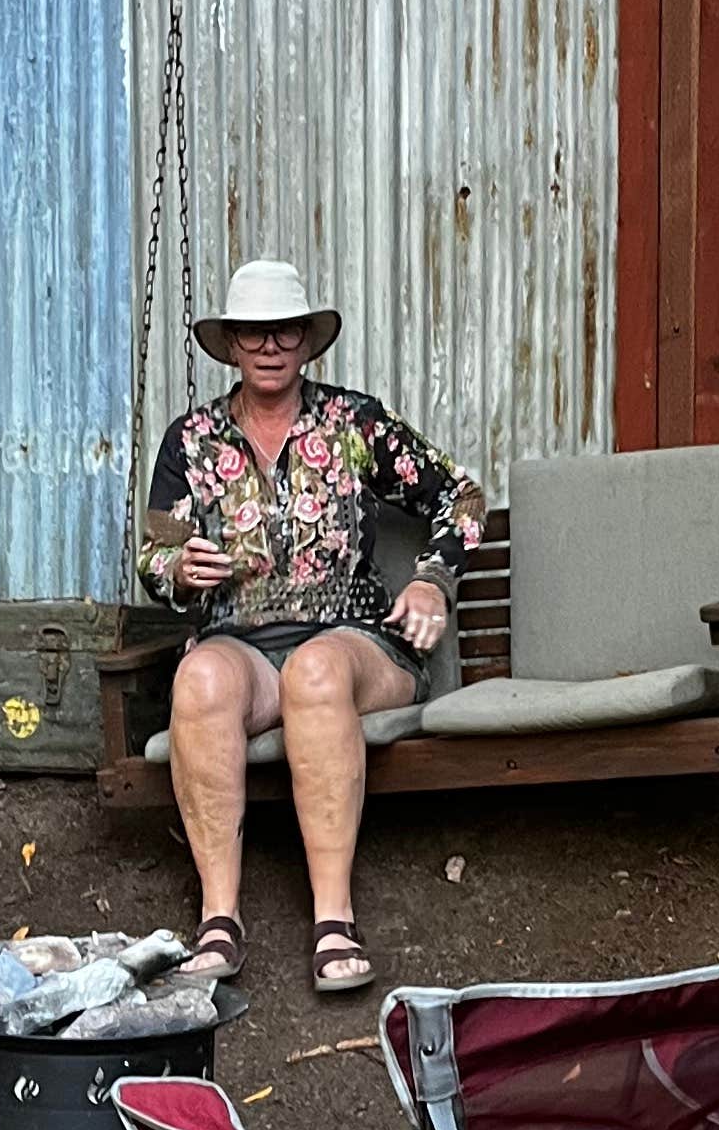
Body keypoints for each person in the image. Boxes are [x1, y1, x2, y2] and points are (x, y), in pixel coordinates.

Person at [137, 258, 481, 996]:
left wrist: (431, 578)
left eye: (284, 329)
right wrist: (177, 570)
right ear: (231, 343)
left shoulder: (354, 425)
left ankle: (333, 919)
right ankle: (219, 918)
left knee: (315, 672)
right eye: (254, 332)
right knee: (197, 678)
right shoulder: (190, 442)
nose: (269, 345)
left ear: (306, 341)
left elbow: (465, 495)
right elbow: (155, 549)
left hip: (356, 645)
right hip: (243, 647)